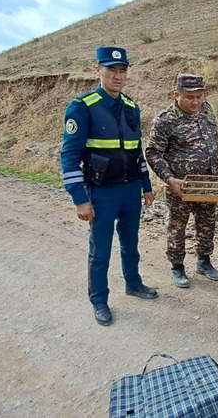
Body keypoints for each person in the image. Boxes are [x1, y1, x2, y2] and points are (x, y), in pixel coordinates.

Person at [60, 46, 157, 327]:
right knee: (100, 249)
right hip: (101, 193)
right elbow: (69, 157)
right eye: (111, 69)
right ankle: (99, 299)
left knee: (131, 244)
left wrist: (146, 185)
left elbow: (136, 151)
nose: (117, 75)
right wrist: (79, 198)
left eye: (122, 70)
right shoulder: (82, 107)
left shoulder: (131, 107)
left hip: (130, 190)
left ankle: (134, 283)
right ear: (97, 70)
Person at [145, 74, 218, 288]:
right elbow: (152, 152)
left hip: (208, 184)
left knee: (207, 223)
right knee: (177, 226)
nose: (195, 102)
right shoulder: (165, 120)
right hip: (179, 186)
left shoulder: (207, 110)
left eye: (199, 96)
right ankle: (177, 266)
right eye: (189, 97)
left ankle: (204, 261)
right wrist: (169, 179)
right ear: (176, 95)